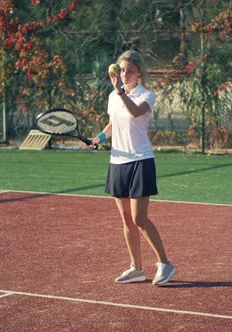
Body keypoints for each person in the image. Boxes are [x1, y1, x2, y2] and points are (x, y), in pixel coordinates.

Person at [89, 50, 176, 286]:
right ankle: (136, 269)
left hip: (140, 161)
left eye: (129, 70)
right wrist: (98, 139)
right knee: (127, 220)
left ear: (139, 73)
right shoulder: (112, 96)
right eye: (122, 69)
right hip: (118, 162)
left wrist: (120, 91)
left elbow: (135, 112)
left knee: (139, 218)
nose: (125, 74)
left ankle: (166, 264)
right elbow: (111, 125)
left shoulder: (147, 95)